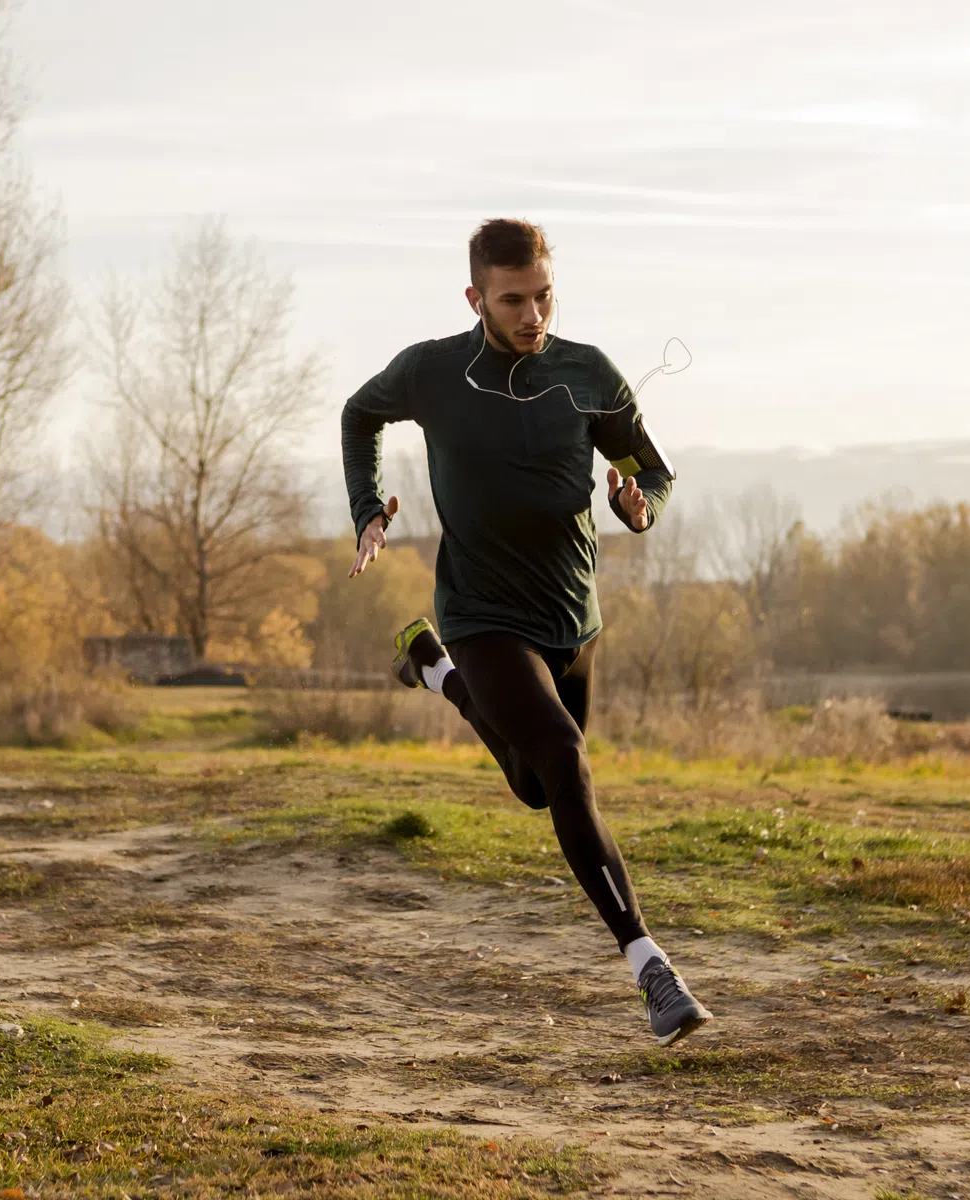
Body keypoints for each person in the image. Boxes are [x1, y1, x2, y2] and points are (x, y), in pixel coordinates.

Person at [340, 217, 712, 1047]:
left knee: (538, 784)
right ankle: (650, 965)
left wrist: (639, 507)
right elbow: (358, 414)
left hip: (572, 619)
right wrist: (369, 512)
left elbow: (653, 469)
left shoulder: (589, 374)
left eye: (543, 295)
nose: (532, 314)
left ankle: (432, 670)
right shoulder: (433, 372)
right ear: (476, 297)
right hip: (482, 612)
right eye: (513, 300)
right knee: (564, 757)